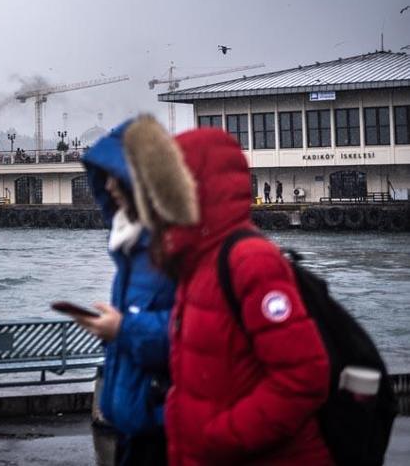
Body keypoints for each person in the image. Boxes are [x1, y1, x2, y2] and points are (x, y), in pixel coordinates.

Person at [122, 116, 331, 465]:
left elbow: (304, 377)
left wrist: (220, 438)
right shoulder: (196, 266)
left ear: (196, 188)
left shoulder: (250, 262)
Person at [74, 120, 173, 465]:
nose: (109, 185)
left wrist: (122, 330)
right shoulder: (132, 250)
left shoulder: (171, 250)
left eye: (117, 175)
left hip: (163, 431)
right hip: (132, 424)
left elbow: (197, 334)